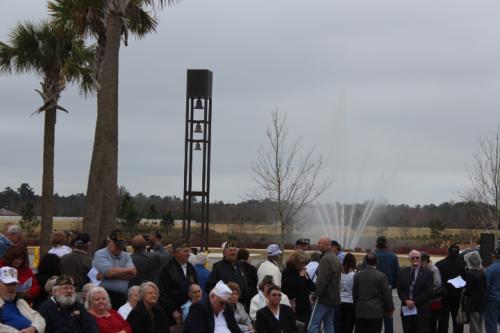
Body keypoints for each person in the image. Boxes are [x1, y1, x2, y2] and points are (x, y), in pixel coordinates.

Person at [157, 239, 198, 326]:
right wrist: (172, 310)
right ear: (176, 252)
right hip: (173, 313)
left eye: (189, 251)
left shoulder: (191, 268)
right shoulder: (167, 269)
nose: (188, 254)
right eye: (185, 251)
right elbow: (163, 292)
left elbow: (196, 287)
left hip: (190, 310)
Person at [93, 229, 137, 308]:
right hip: (104, 296)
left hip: (122, 298)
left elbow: (133, 274)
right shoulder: (100, 254)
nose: (119, 247)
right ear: (109, 242)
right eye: (116, 245)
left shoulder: (126, 256)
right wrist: (128, 270)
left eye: (121, 245)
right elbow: (109, 272)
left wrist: (106, 276)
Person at [366, 235, 400, 333]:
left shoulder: (369, 255)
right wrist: (391, 286)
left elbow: (364, 273)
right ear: (386, 244)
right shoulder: (393, 256)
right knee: (388, 318)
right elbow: (397, 275)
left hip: (371, 292)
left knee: (373, 321)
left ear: (376, 243)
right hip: (387, 291)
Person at [353, 253, 394, 333]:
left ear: (366, 262)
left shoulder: (358, 275)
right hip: (376, 312)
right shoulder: (381, 276)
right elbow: (386, 295)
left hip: (361, 310)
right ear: (377, 262)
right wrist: (390, 309)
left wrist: (356, 305)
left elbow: (354, 293)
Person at [307, 236, 341, 333]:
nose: (318, 245)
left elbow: (322, 280)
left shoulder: (325, 259)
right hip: (333, 298)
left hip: (323, 298)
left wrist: (315, 295)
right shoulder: (335, 257)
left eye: (320, 243)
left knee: (313, 324)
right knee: (328, 324)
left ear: (327, 245)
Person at [206, 241, 252, 308]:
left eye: (234, 250)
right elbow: (209, 286)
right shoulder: (218, 267)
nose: (233, 252)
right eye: (230, 250)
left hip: (242, 306)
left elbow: (248, 283)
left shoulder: (241, 265)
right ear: (224, 253)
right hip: (226, 306)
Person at [397, 250, 433, 333]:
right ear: (409, 259)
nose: (415, 259)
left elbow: (428, 291)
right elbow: (400, 289)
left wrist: (414, 302)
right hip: (406, 309)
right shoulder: (403, 272)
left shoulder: (428, 273)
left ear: (420, 259)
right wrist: (406, 301)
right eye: (413, 258)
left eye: (417, 257)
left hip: (421, 309)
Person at [0, 266, 46, 333]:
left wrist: (33, 328)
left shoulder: (20, 302)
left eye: (14, 284)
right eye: (7, 284)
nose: (12, 287)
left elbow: (39, 318)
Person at [435, 244, 466, 333]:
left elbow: (436, 281)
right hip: (459, 298)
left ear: (448, 252)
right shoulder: (464, 265)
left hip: (444, 297)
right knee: (458, 322)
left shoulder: (439, 264)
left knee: (443, 322)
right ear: (458, 252)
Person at [281, 251, 315, 323]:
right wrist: (301, 277)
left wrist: (307, 278)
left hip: (305, 306)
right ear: (295, 262)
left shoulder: (302, 272)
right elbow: (296, 287)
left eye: (305, 263)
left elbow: (313, 287)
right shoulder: (288, 272)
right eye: (301, 263)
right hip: (294, 307)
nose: (303, 266)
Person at [463, 251, 486, 333]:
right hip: (481, 302)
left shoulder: (471, 274)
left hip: (473, 303)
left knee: (474, 326)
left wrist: (464, 290)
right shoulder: (483, 273)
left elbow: (468, 289)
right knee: (479, 324)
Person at [420, 252, 442, 333]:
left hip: (433, 300)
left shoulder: (433, 269)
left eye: (421, 262)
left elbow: (437, 283)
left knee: (432, 322)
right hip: (425, 301)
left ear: (426, 261)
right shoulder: (422, 269)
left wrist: (426, 288)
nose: (419, 264)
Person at [340, 253, 357, 333]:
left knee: (340, 324)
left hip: (340, 301)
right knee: (349, 326)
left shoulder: (340, 274)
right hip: (351, 302)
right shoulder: (354, 275)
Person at [485, 248, 500, 333]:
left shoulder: (491, 269)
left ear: (493, 256)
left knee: (491, 323)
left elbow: (486, 286)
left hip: (493, 300)